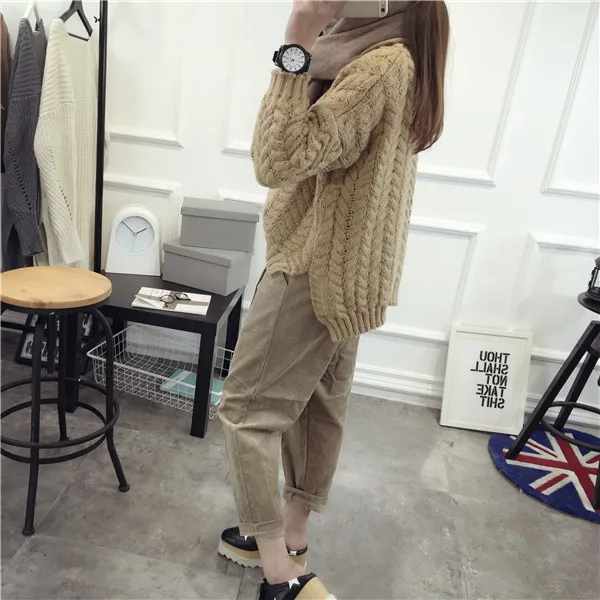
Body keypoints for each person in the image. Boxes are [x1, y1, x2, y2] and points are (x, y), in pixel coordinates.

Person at [218, 1, 449, 598]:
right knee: (317, 406)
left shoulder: (374, 67)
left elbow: (276, 159)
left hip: (312, 267)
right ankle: (292, 535)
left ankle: (279, 574)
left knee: (246, 412)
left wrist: (296, 41)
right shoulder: (400, 55)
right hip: (350, 270)